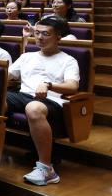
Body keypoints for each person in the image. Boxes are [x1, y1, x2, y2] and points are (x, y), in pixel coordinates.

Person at [6, 16, 80, 186]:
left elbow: (72, 86)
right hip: (23, 95)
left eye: (45, 34)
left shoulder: (68, 60)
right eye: (37, 33)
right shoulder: (27, 57)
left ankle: (47, 169)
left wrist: (49, 85)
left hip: (52, 101)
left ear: (58, 37)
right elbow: (6, 76)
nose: (39, 37)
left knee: (33, 108)